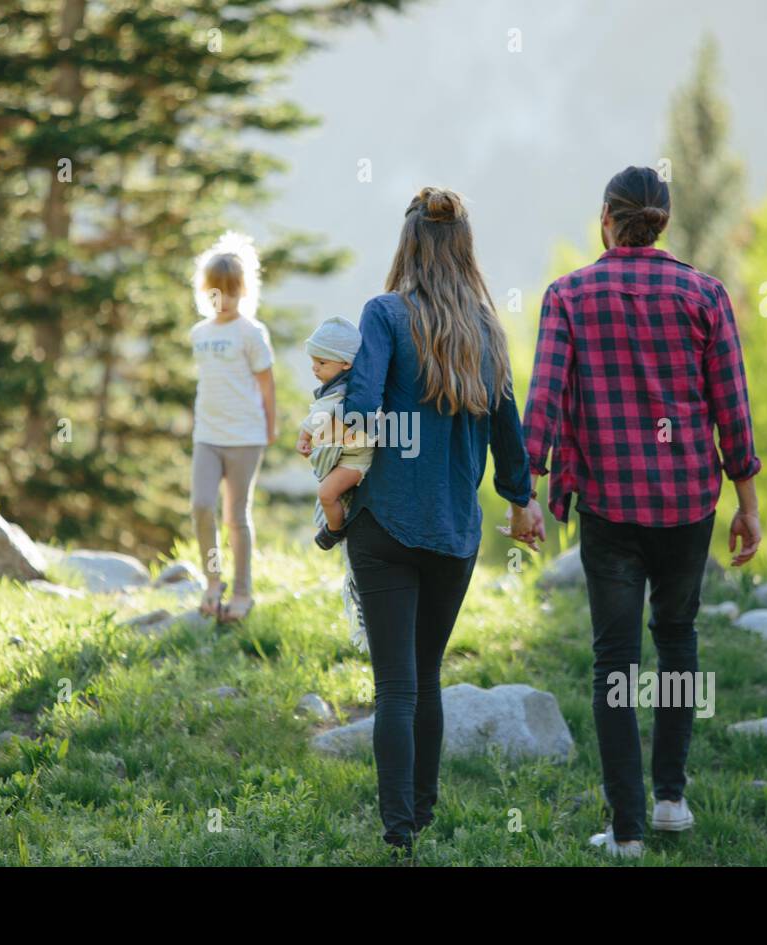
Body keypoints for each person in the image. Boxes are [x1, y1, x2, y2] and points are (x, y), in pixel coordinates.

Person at [522, 166, 763, 858]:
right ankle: (670, 801)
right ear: (663, 220)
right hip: (689, 503)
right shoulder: (705, 295)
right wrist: (746, 503)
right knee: (679, 639)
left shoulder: (568, 296)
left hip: (609, 507)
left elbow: (545, 400)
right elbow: (732, 410)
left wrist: (528, 492)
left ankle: (625, 830)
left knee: (615, 661)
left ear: (607, 218)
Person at [323, 186, 545, 855]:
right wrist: (522, 500)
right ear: (464, 248)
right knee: (426, 674)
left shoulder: (385, 315)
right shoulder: (486, 327)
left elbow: (361, 411)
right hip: (454, 534)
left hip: (384, 524)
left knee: (394, 682)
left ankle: (398, 836)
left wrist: (335, 475)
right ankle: (422, 812)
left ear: (408, 244)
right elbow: (508, 433)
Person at [188, 232, 276, 624]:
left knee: (235, 517)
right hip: (207, 436)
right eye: (215, 294)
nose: (223, 301)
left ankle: (242, 592)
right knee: (201, 506)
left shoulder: (251, 333)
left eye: (231, 293)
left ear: (244, 291)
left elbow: (266, 384)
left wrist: (270, 428)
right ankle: (212, 581)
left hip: (244, 438)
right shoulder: (200, 334)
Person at [295, 316, 374, 550]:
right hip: (347, 456)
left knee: (327, 493)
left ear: (346, 363)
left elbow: (320, 416)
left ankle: (335, 530)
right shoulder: (338, 385)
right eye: (313, 361)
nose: (314, 368)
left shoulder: (342, 391)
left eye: (322, 362)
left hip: (356, 460)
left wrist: (304, 436)